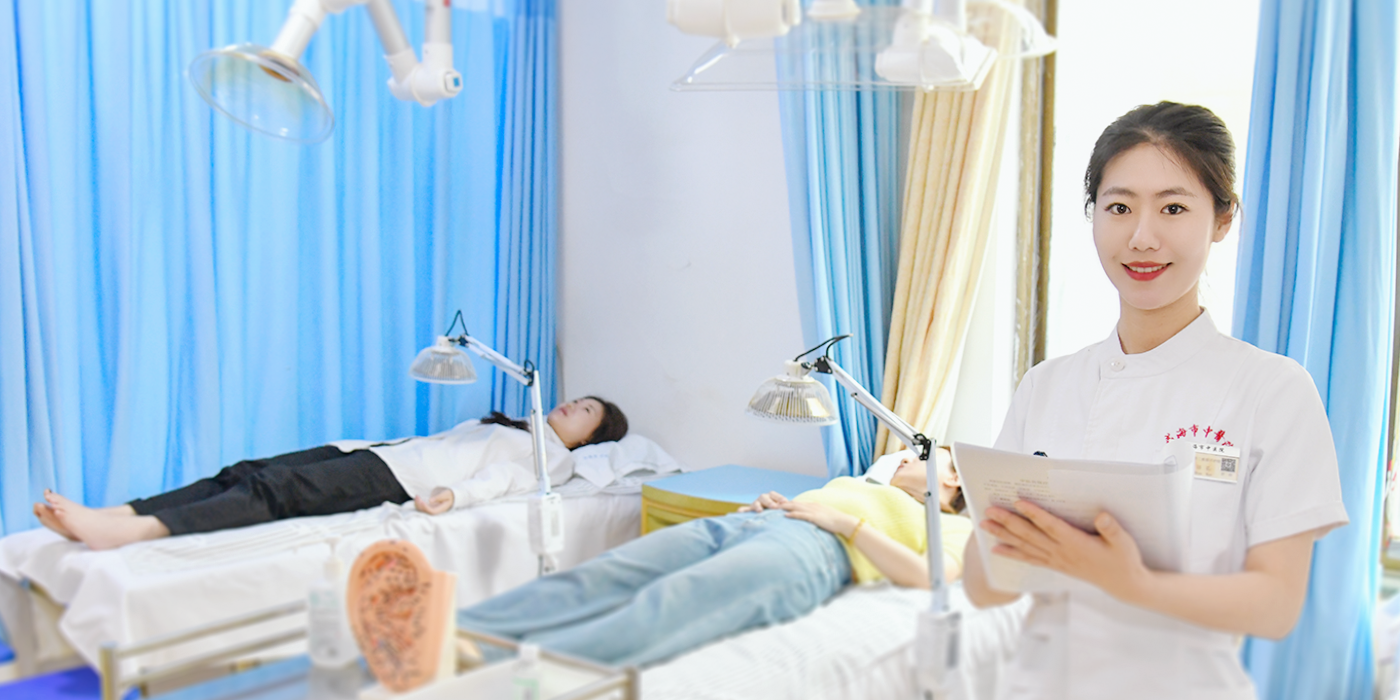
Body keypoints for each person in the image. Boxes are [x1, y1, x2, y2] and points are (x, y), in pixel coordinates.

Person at [964, 102, 1349, 699]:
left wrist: (1130, 582)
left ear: (1222, 219)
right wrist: (1015, 541)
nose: (1142, 238)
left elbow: (1275, 606)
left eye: (1173, 208)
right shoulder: (1046, 385)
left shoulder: (1271, 389)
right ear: (1093, 215)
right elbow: (984, 586)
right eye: (1119, 208)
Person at [455, 447, 972, 667]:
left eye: (922, 455)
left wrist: (843, 524)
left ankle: (502, 671)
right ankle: (454, 632)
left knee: (668, 603)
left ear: (952, 476)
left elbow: (932, 576)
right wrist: (773, 504)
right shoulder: (863, 483)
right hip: (753, 522)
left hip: (814, 549)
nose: (905, 456)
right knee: (606, 573)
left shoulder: (954, 525)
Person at [33, 397, 629, 551]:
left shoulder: (555, 459)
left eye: (585, 412)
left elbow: (503, 484)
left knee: (273, 491)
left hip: (397, 478)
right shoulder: (515, 425)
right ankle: (115, 512)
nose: (570, 405)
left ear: (590, 439)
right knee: (245, 470)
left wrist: (453, 495)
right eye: (575, 399)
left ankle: (130, 533)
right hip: (368, 451)